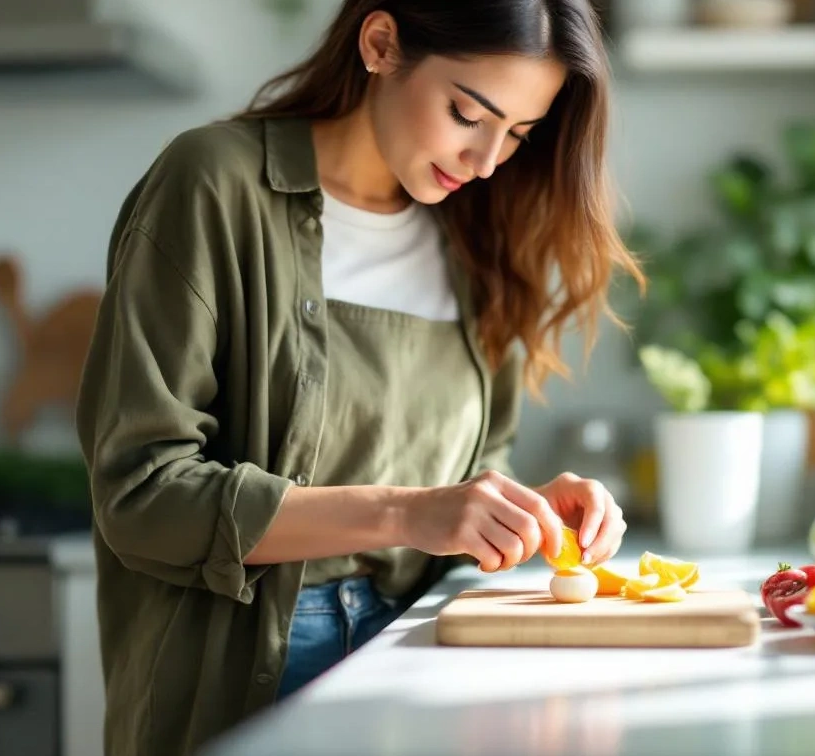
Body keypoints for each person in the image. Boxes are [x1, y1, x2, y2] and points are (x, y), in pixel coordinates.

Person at [75, 0, 644, 754]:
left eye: (517, 136)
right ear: (380, 44)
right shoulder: (214, 182)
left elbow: (467, 467)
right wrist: (408, 512)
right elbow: (142, 494)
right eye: (468, 113)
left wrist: (519, 512)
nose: (485, 161)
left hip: (422, 664)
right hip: (249, 677)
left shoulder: (478, 233)